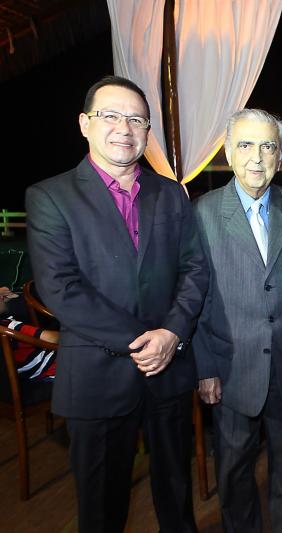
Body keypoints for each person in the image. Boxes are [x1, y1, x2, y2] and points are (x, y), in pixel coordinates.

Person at [25, 75, 208, 533]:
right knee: (101, 510)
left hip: (169, 371)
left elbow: (195, 269)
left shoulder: (171, 193)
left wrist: (172, 334)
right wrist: (145, 341)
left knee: (177, 499)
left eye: (136, 119)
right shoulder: (50, 196)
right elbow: (60, 287)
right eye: (110, 115)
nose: (124, 128)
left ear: (147, 132)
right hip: (98, 376)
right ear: (84, 123)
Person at [193, 109, 282, 533]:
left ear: (280, 154)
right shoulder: (202, 214)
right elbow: (196, 298)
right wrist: (205, 367)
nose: (257, 157)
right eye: (246, 145)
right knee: (234, 474)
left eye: (268, 146)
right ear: (228, 152)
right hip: (231, 370)